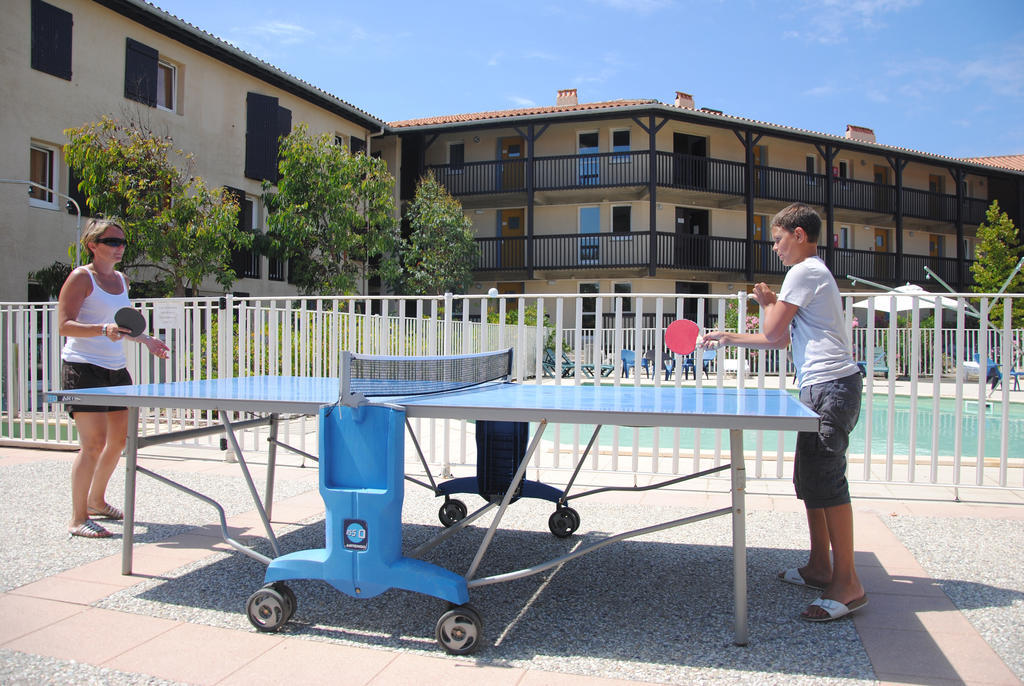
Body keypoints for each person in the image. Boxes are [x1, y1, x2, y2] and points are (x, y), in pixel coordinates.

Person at [701, 203, 867, 622]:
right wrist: (731, 334)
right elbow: (776, 341)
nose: (774, 248)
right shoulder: (809, 274)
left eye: (776, 239)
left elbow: (773, 331)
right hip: (821, 387)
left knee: (827, 481)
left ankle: (848, 584)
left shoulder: (805, 270)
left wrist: (762, 307)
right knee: (810, 479)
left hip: (831, 387)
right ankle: (819, 567)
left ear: (797, 234)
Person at [58, 219, 169, 538]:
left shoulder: (122, 280)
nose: (119, 248)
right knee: (92, 445)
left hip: (116, 368)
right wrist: (101, 330)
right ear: (93, 245)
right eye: (112, 242)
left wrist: (145, 340)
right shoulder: (81, 277)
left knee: (118, 442)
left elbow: (121, 327)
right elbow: (64, 325)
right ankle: (78, 519)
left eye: (122, 243)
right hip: (83, 366)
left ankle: (97, 500)